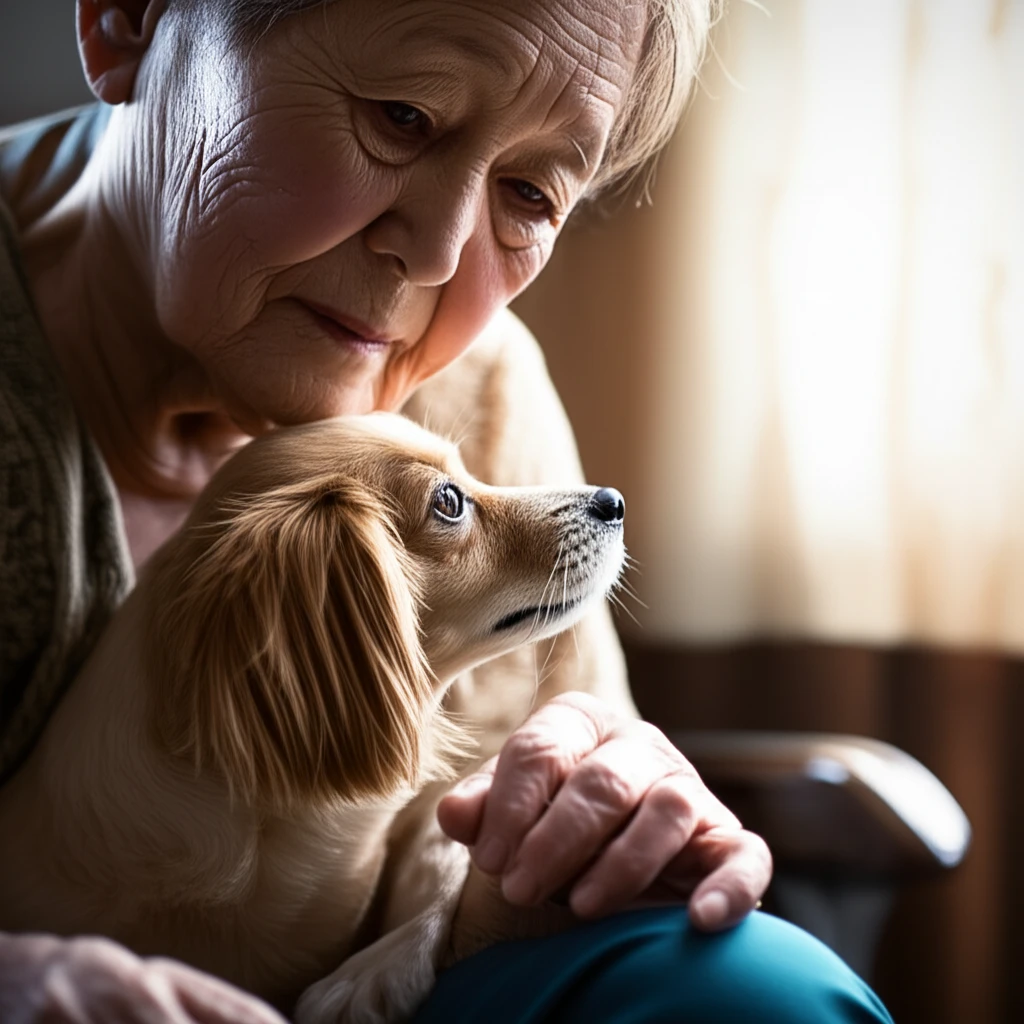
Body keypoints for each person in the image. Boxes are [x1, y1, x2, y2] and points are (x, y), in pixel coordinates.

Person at [0, 1, 894, 1022]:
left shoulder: (483, 387)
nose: (433, 256)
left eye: (528, 191)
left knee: (749, 989)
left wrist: (605, 817)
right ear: (129, 22)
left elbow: (548, 786)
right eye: (402, 118)